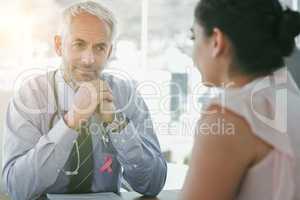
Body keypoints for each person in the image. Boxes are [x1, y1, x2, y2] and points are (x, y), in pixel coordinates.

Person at [2, 1, 167, 200]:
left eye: (99, 48)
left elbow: (153, 184)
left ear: (109, 52)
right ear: (58, 45)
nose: (88, 59)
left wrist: (117, 123)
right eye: (78, 44)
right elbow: (16, 188)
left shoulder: (126, 95)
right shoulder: (30, 96)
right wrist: (71, 121)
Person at [182, 0, 300, 199]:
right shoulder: (291, 99)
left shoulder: (229, 115)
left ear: (217, 41)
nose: (193, 53)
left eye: (194, 37)